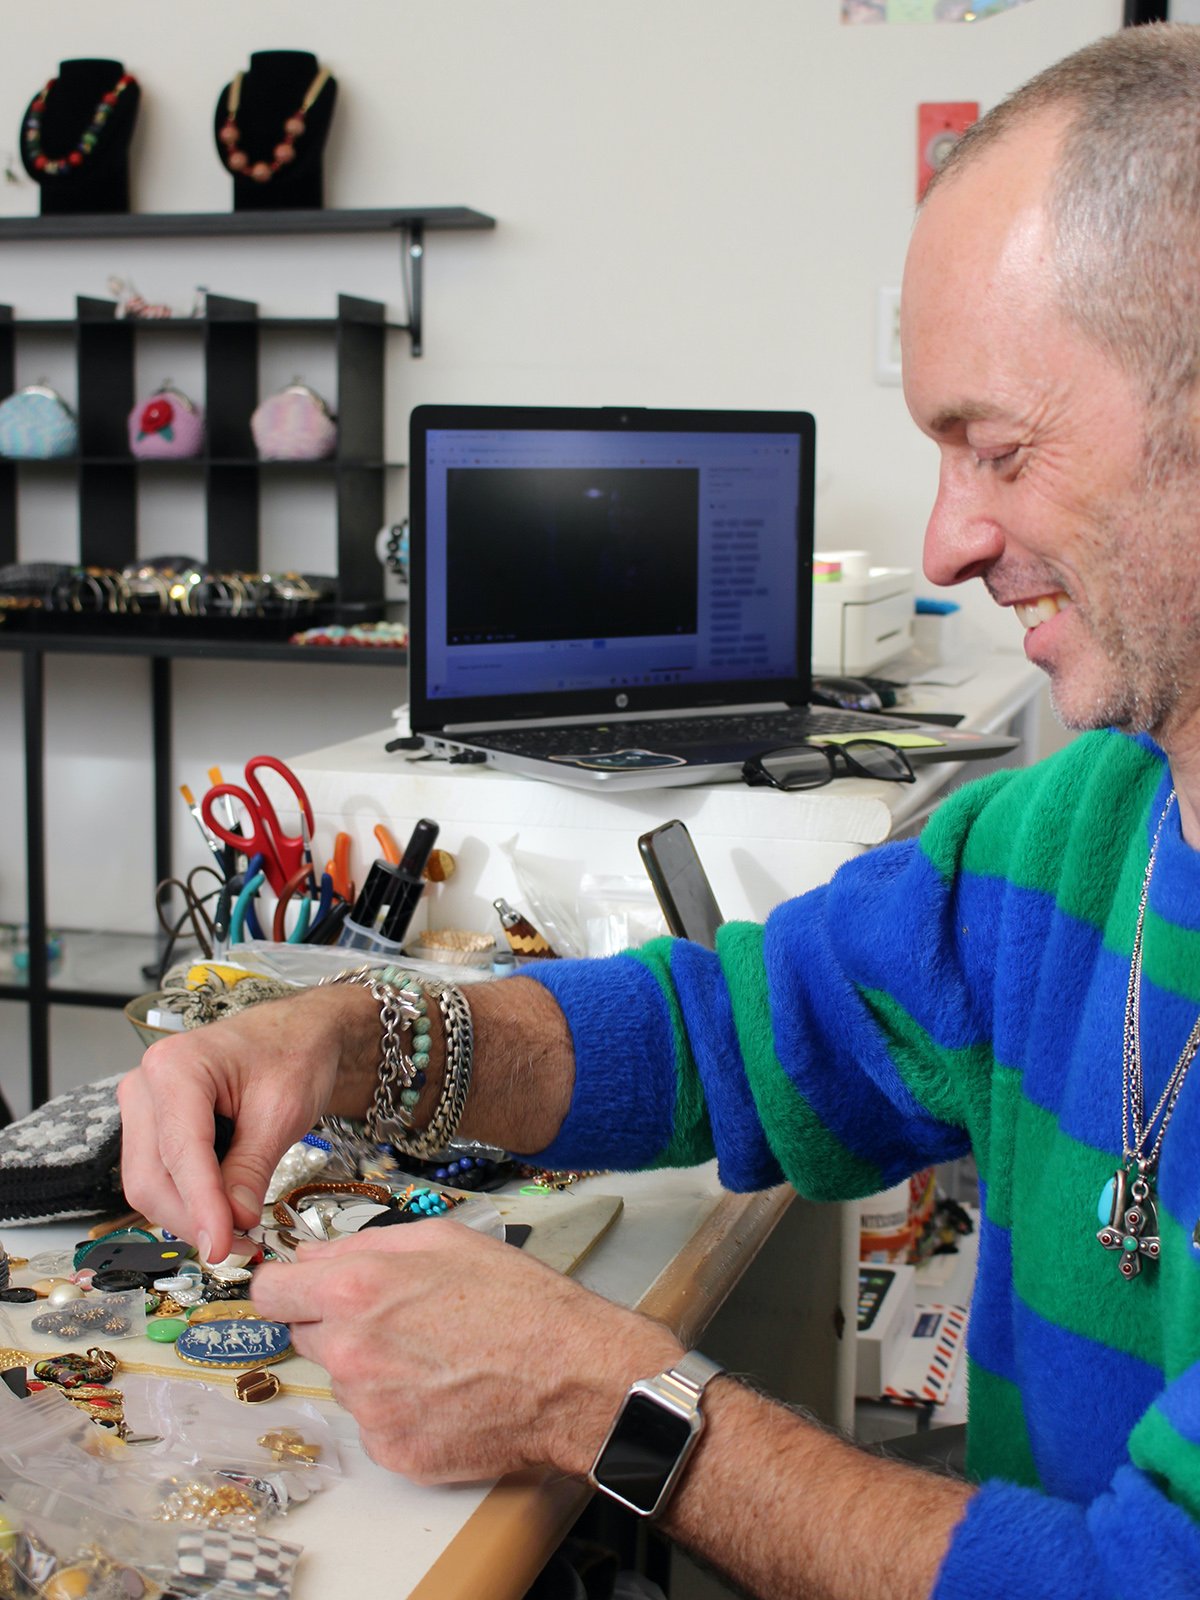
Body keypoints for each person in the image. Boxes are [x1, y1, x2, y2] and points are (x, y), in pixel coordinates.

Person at [119, 24, 1200, 1600]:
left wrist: (601, 1401)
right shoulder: (1069, 839)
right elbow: (728, 1030)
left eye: (1000, 449)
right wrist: (351, 1038)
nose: (948, 542)